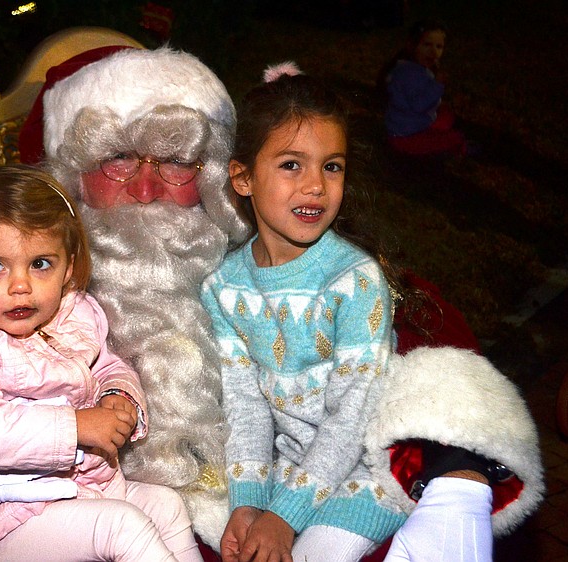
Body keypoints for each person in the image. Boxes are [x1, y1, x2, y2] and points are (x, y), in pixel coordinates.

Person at [0, 46, 543, 562]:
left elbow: (422, 333)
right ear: (68, 183)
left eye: (172, 162)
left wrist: (456, 478)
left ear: (213, 178)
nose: (145, 188)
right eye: (116, 162)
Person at [0, 164, 203, 561]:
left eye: (40, 263)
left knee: (165, 505)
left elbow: (105, 365)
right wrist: (75, 426)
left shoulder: (73, 315)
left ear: (68, 268)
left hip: (84, 489)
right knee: (121, 527)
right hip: (3, 522)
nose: (20, 285)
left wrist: (117, 394)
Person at [202, 63, 407, 562]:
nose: (316, 185)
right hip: (290, 472)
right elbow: (246, 408)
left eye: (331, 166)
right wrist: (249, 505)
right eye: (292, 164)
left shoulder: (354, 280)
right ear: (244, 177)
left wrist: (283, 517)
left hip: (370, 469)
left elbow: (353, 418)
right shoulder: (223, 286)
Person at [380, 19, 468, 157]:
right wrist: (437, 84)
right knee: (454, 138)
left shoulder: (417, 68)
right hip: (406, 135)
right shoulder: (408, 74)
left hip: (412, 123)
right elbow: (419, 105)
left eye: (439, 47)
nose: (433, 52)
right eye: (427, 45)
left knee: (446, 115)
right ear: (412, 45)